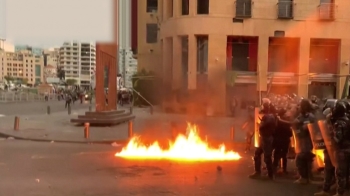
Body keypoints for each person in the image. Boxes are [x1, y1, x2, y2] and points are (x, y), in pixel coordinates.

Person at [249, 99, 277, 180]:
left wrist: (261, 121)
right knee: (257, 154)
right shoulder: (270, 116)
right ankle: (258, 172)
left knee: (267, 157)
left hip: (267, 138)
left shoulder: (269, 117)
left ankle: (270, 175)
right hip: (265, 138)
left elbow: (262, 125)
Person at [291, 99, 316, 184]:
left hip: (308, 140)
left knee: (304, 159)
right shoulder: (300, 117)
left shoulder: (311, 117)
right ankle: (304, 176)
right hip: (301, 140)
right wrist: (299, 128)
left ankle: (306, 177)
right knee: (302, 159)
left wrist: (307, 127)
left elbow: (313, 128)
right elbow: (295, 127)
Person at [273, 108, 293, 174]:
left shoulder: (277, 121)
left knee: (277, 154)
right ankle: (283, 169)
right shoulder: (285, 123)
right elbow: (290, 133)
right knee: (283, 155)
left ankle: (274, 169)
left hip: (278, 140)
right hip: (284, 140)